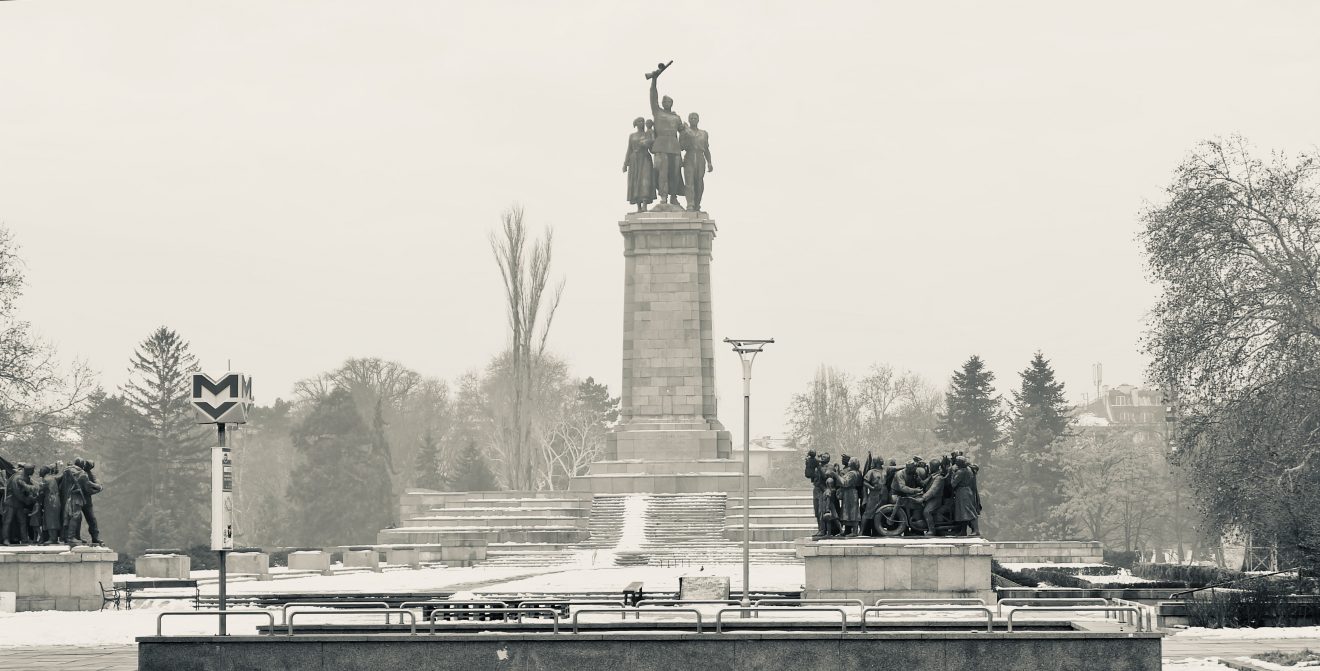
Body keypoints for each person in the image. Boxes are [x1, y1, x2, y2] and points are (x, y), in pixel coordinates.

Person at [646, 65, 684, 208]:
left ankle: (673, 196)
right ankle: (663, 196)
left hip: (674, 146)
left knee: (675, 174)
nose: (665, 103)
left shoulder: (676, 117)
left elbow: (683, 131)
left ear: (671, 103)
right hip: (661, 145)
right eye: (664, 101)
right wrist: (654, 80)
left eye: (668, 101)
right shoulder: (657, 112)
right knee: (662, 173)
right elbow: (653, 96)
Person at [678, 112, 712, 211]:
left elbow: (706, 149)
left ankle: (697, 204)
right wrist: (685, 134)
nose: (693, 120)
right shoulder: (685, 132)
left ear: (698, 120)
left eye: (695, 118)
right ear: (689, 120)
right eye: (691, 118)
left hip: (701, 158)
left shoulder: (704, 133)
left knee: (699, 183)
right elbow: (680, 147)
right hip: (689, 156)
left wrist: (709, 162)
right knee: (689, 182)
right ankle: (690, 204)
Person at [622, 117, 656, 211]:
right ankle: (639, 206)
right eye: (639, 121)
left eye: (643, 121)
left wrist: (649, 139)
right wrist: (625, 163)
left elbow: (653, 148)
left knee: (645, 180)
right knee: (636, 181)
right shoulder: (632, 136)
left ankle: (645, 203)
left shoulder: (648, 134)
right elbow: (629, 149)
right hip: (634, 160)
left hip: (645, 158)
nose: (641, 123)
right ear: (636, 124)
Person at [2, 464, 38, 545]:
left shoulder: (26, 478)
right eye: (32, 470)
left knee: (22, 521)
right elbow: (17, 492)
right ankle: (5, 539)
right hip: (10, 503)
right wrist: (27, 500)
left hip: (19, 504)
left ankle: (24, 539)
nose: (33, 472)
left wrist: (31, 497)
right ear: (28, 470)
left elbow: (27, 491)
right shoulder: (17, 478)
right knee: (7, 521)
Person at [805, 450, 832, 539]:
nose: (821, 459)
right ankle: (820, 529)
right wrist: (808, 465)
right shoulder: (818, 466)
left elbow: (825, 477)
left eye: (824, 457)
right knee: (817, 512)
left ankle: (823, 530)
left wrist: (818, 467)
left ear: (828, 459)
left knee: (821, 511)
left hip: (823, 490)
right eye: (821, 457)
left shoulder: (829, 467)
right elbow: (808, 475)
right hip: (816, 489)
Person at [951, 456, 980, 536]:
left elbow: (953, 484)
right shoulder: (969, 469)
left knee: (968, 511)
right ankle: (963, 531)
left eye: (956, 461)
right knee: (962, 512)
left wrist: (952, 474)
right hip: (967, 491)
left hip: (962, 492)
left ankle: (976, 530)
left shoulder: (960, 472)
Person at [861, 457, 886, 536]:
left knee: (881, 512)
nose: (883, 460)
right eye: (881, 459)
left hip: (883, 493)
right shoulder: (871, 472)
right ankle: (861, 531)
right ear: (877, 461)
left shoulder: (885, 470)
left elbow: (895, 468)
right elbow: (865, 482)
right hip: (874, 494)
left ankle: (879, 531)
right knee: (868, 513)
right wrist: (871, 487)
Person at [837, 457, 862, 537]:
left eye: (850, 461)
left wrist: (835, 475)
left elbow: (845, 483)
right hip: (850, 492)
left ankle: (854, 531)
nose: (849, 462)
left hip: (850, 492)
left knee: (852, 511)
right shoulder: (857, 472)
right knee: (847, 511)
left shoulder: (852, 473)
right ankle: (847, 530)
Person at [39, 464, 62, 544]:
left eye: (41, 470)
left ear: (44, 471)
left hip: (50, 501)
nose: (39, 472)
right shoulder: (51, 478)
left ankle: (53, 538)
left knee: (51, 520)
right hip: (54, 501)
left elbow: (40, 490)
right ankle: (52, 538)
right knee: (52, 519)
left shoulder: (46, 479)